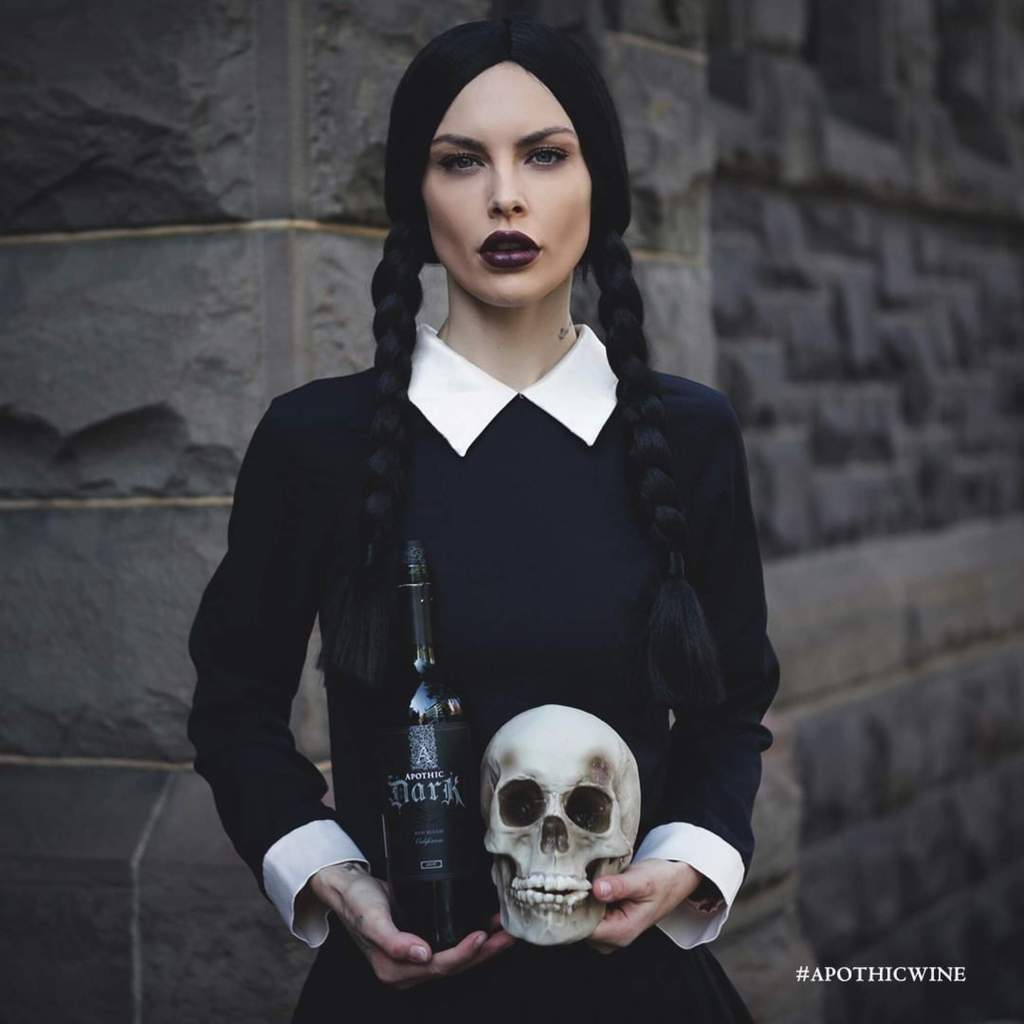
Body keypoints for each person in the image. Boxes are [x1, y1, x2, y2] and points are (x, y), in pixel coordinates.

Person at [187, 14, 780, 1023]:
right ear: (416, 201)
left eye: (544, 155)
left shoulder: (688, 435)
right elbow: (234, 707)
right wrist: (333, 876)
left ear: (600, 186)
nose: (505, 195)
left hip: (638, 994)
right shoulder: (314, 442)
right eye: (461, 161)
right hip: (397, 993)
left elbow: (731, 713)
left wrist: (686, 859)